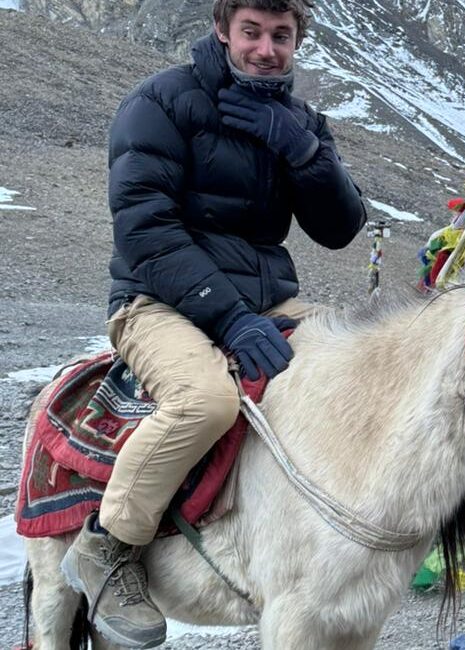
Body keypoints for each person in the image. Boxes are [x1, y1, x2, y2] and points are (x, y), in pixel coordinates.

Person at [59, 1, 366, 646]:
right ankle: (107, 547)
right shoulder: (162, 102)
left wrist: (305, 152)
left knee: (361, 362)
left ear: (295, 41)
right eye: (251, 32)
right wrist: (227, 317)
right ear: (223, 30)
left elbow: (339, 230)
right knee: (204, 401)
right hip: (157, 300)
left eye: (281, 36)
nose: (265, 49)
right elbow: (145, 229)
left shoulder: (299, 121)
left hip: (264, 300)